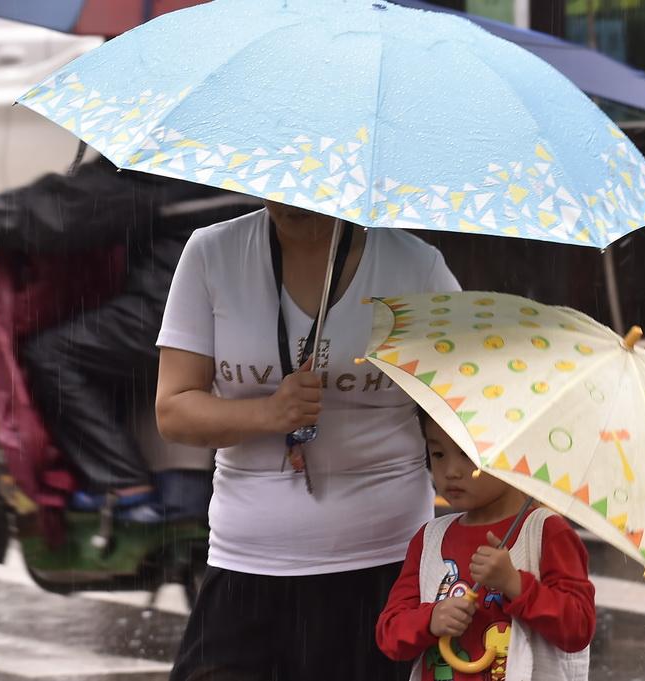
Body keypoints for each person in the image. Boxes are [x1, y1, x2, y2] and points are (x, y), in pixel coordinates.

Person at [155, 201, 461, 681]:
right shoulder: (212, 252)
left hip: (385, 567)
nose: (293, 204)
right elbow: (173, 410)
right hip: (245, 566)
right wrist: (267, 413)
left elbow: (462, 405)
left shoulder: (416, 267)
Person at [0, 154, 250, 520]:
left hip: (177, 309)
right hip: (242, 309)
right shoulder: (238, 157)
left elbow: (73, 208)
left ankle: (121, 483)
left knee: (53, 355)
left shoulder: (165, 158)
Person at [376, 416, 596, 681]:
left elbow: (578, 628)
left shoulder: (547, 533)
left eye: (468, 455)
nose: (451, 471)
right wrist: (431, 619)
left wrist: (515, 584)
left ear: (513, 451)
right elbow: (390, 634)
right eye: (438, 454)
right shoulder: (429, 539)